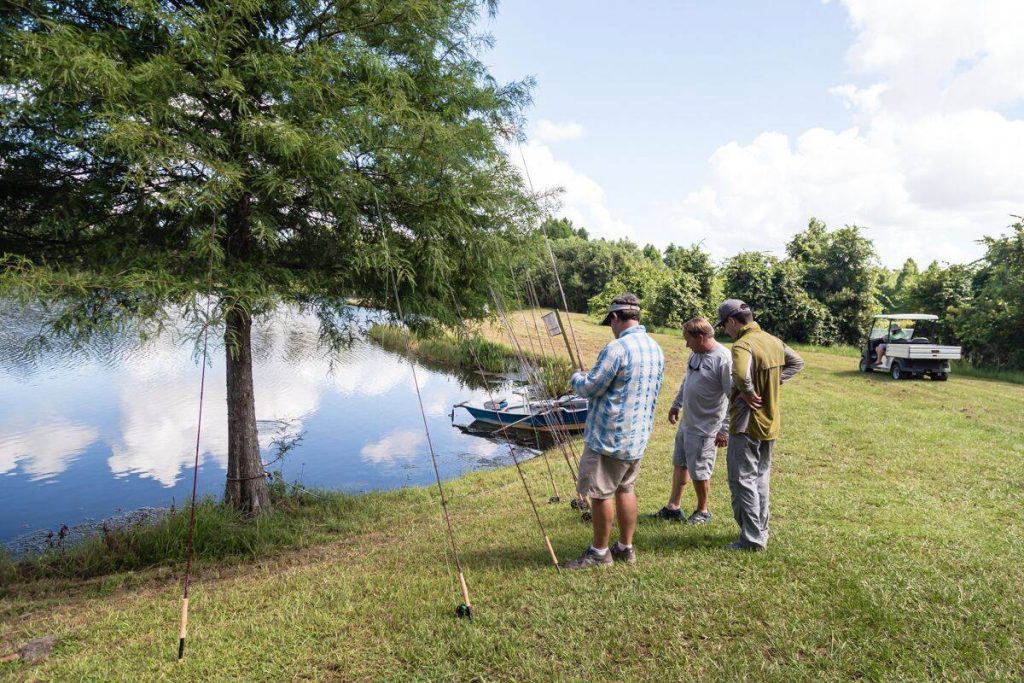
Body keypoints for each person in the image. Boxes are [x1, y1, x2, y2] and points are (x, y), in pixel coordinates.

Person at [563, 293, 665, 570]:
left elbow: (590, 387)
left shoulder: (617, 348)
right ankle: (626, 547)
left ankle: (599, 553)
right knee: (626, 489)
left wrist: (576, 376)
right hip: (637, 438)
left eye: (611, 321)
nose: (611, 326)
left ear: (617, 317)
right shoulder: (655, 348)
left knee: (600, 494)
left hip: (609, 439)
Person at [716, 299, 803, 551]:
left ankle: (751, 538)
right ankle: (760, 532)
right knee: (760, 478)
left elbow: (741, 375)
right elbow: (797, 362)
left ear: (732, 321)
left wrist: (748, 390)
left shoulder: (743, 344)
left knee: (742, 479)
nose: (725, 331)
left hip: (746, 423)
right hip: (770, 421)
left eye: (724, 326)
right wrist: (774, 383)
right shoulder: (773, 340)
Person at [651, 317, 730, 525]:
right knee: (680, 464)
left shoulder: (723, 359)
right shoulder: (695, 354)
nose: (686, 344)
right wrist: (676, 404)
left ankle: (703, 510)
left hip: (707, 427)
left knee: (700, 471)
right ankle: (673, 508)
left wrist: (725, 429)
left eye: (688, 340)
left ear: (701, 337)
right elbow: (687, 381)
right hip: (687, 423)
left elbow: (735, 397)